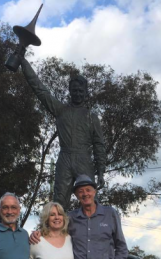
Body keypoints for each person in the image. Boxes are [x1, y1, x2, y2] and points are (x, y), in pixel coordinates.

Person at [19, 54, 106, 209]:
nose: (78, 94)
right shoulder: (61, 110)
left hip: (84, 159)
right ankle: (56, 233)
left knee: (90, 201)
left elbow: (99, 144)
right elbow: (39, 89)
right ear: (69, 91)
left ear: (86, 92)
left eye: (81, 91)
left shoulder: (92, 117)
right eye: (75, 90)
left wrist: (100, 171)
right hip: (64, 158)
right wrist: (22, 62)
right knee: (59, 202)